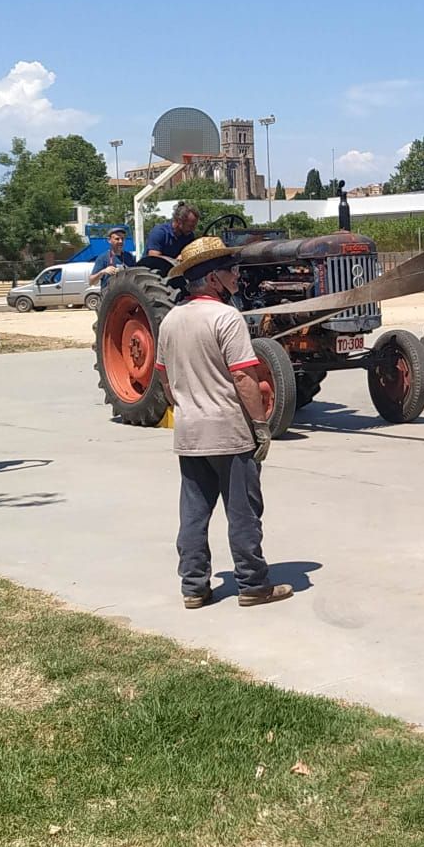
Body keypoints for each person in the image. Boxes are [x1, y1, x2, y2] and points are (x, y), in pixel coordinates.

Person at [156, 235, 287, 609]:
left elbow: (164, 378)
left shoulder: (170, 320)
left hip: (190, 432)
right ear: (213, 278)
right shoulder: (226, 317)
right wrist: (260, 425)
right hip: (230, 432)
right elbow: (245, 377)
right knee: (243, 512)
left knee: (194, 513)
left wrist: (187, 405)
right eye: (231, 270)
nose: (236, 276)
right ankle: (252, 584)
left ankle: (194, 586)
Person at [142, 203, 200, 274]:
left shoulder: (189, 236)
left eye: (194, 226)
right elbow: (154, 258)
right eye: (190, 226)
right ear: (179, 222)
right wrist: (175, 261)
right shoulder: (159, 232)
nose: (193, 229)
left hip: (173, 273)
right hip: (151, 274)